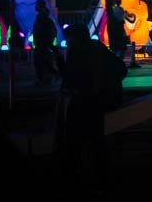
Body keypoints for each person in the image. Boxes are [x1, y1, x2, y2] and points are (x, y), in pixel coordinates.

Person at [54, 22, 127, 190]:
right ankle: (99, 177)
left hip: (87, 101)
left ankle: (75, 176)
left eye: (69, 39)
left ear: (75, 38)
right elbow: (121, 69)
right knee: (95, 141)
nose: (67, 43)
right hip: (95, 101)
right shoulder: (95, 49)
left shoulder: (80, 54)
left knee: (76, 141)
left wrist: (59, 61)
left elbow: (71, 78)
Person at [32, 0, 59, 85]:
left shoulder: (43, 19)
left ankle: (47, 77)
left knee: (42, 61)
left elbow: (48, 31)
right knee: (41, 61)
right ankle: (46, 77)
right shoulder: (42, 18)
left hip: (42, 43)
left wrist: (47, 42)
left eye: (37, 5)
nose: (35, 7)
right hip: (41, 43)